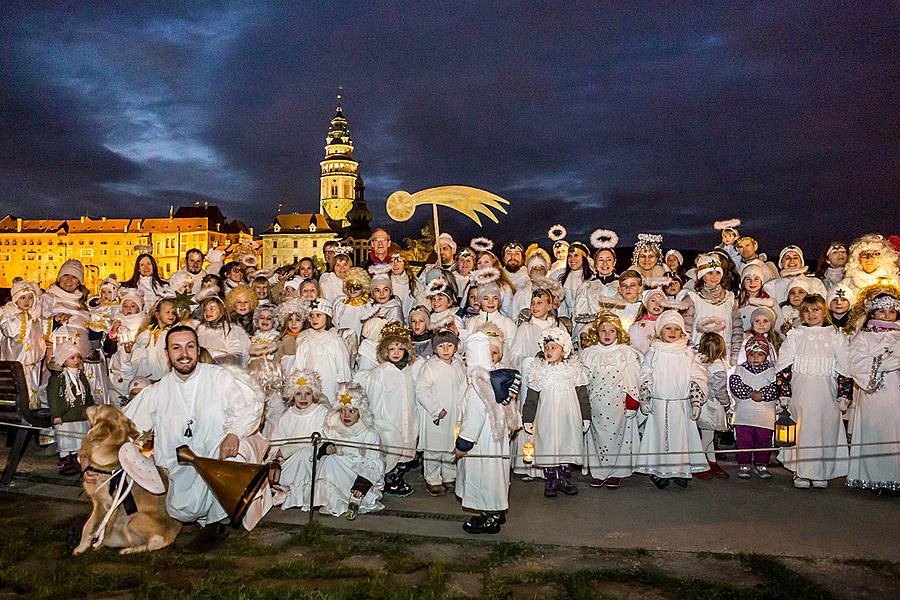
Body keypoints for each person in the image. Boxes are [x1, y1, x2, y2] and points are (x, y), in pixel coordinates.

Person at [124, 325, 269, 552]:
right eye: (177, 348)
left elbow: (249, 405)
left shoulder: (219, 377)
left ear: (197, 348)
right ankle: (193, 517)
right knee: (182, 509)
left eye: (190, 346)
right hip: (180, 466)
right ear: (168, 354)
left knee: (237, 458)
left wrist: (234, 434)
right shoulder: (159, 390)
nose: (184, 354)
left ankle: (217, 524)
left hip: (217, 456)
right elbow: (127, 423)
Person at [776, 294, 853, 489]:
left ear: (824, 311)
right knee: (803, 431)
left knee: (825, 430)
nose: (811, 314)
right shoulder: (795, 335)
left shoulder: (835, 336)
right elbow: (784, 366)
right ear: (801, 314)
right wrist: (784, 391)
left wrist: (845, 394)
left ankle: (821, 472)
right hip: (801, 393)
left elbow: (845, 367)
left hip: (826, 394)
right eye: (807, 311)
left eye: (816, 310)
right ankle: (801, 472)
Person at [453, 331, 521, 534]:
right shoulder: (495, 380)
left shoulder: (478, 387)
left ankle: (488, 517)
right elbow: (510, 409)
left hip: (481, 442)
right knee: (496, 476)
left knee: (484, 477)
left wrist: (462, 445)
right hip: (496, 440)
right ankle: (496, 511)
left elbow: (473, 419)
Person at [635, 310, 710, 488]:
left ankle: (680, 470)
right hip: (659, 404)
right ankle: (658, 471)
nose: (672, 332)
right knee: (659, 439)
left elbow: (697, 377)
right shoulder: (653, 353)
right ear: (660, 330)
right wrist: (644, 399)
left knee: (680, 439)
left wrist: (696, 401)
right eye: (668, 328)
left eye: (676, 329)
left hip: (680, 404)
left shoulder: (687, 353)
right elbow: (645, 375)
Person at [521, 327, 590, 498]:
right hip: (546, 415)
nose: (549, 351)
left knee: (567, 444)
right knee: (548, 445)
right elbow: (531, 397)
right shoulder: (539, 371)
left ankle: (565, 480)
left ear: (564, 350)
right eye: (546, 347)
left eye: (553, 347)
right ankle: (550, 480)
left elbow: (583, 394)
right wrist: (527, 418)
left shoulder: (574, 370)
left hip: (569, 415)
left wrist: (585, 416)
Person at [846, 288, 900, 493]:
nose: (887, 316)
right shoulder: (864, 337)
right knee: (875, 434)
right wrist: (881, 365)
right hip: (875, 394)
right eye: (882, 312)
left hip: (896, 394)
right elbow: (855, 363)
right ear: (873, 313)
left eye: (891, 312)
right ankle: (874, 478)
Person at [580, 312, 641, 489]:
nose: (607, 334)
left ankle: (616, 472)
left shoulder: (626, 353)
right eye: (603, 330)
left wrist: (632, 402)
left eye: (611, 331)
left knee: (619, 439)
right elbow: (582, 380)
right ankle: (599, 472)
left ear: (618, 332)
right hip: (596, 405)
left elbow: (632, 377)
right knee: (597, 438)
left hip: (618, 404)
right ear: (596, 333)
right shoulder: (589, 354)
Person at [358, 322, 419, 497]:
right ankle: (388, 480)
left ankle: (397, 478)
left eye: (400, 349)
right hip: (389, 421)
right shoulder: (380, 372)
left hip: (407, 418)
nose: (396, 353)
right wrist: (376, 422)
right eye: (392, 349)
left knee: (406, 452)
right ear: (385, 351)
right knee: (391, 451)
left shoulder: (410, 370)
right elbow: (374, 399)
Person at [313, 382, 385, 520]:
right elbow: (319, 448)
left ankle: (356, 500)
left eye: (352, 411)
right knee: (329, 460)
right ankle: (333, 501)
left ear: (360, 412)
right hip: (339, 471)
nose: (346, 415)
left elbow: (374, 462)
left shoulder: (368, 433)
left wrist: (362, 485)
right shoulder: (333, 428)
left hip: (360, 476)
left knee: (361, 473)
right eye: (343, 410)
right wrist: (325, 448)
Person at [415, 329, 467, 496]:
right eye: (441, 346)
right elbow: (421, 390)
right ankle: (433, 479)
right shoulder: (430, 366)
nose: (445, 349)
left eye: (450, 345)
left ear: (456, 347)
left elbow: (464, 387)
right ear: (435, 348)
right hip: (437, 416)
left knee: (451, 447)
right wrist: (436, 409)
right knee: (434, 450)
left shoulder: (459, 365)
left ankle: (449, 477)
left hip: (455, 414)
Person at [269, 370, 330, 511]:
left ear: (314, 394)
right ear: (292, 395)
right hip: (289, 461)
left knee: (305, 454)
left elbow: (321, 439)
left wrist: (287, 449)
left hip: (313, 459)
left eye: (307, 393)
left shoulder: (321, 412)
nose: (303, 398)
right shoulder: (287, 416)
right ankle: (290, 492)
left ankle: (307, 495)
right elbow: (276, 442)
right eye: (298, 394)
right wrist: (277, 454)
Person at [729, 334, 778, 479]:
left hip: (764, 417)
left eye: (760, 354)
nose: (755, 357)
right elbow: (735, 385)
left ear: (766, 355)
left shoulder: (773, 371)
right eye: (752, 354)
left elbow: (777, 387)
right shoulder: (740, 369)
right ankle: (744, 463)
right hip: (744, 416)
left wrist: (762, 394)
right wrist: (750, 393)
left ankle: (761, 464)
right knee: (744, 440)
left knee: (763, 440)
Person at [289, 299, 351, 402]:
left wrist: (343, 387)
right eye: (312, 316)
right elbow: (298, 366)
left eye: (318, 315)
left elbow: (342, 366)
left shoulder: (335, 339)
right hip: (310, 386)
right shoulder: (306, 340)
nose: (314, 319)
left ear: (327, 317)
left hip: (330, 383)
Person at [48, 341, 93, 475]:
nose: (76, 360)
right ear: (63, 359)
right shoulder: (58, 378)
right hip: (64, 416)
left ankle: (76, 459)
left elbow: (87, 393)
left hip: (80, 414)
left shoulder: (81, 376)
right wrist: (56, 414)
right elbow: (53, 397)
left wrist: (92, 409)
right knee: (66, 439)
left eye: (78, 357)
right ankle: (65, 460)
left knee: (78, 439)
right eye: (72, 358)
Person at [694, 332, 732, 480]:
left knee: (707, 435)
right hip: (712, 406)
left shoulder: (698, 361)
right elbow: (720, 390)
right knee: (707, 437)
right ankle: (699, 463)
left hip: (700, 403)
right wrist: (727, 404)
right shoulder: (718, 367)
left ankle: (712, 462)